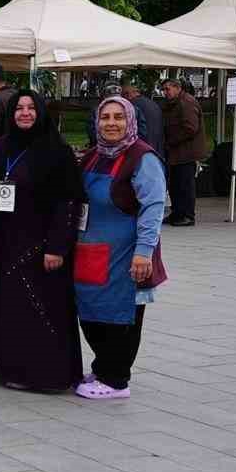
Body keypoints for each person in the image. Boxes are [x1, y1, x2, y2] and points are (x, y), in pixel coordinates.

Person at [0, 90, 85, 391]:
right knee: (6, 306)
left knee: (38, 308)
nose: (24, 113)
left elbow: (68, 202)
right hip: (6, 240)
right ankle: (0, 365)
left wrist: (58, 246)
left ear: (41, 112)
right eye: (19, 108)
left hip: (41, 243)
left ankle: (38, 373)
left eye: (31, 108)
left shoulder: (56, 152)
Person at [74, 95, 167, 400]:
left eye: (118, 117)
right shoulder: (93, 155)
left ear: (131, 121)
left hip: (125, 254)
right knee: (92, 313)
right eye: (105, 117)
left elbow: (153, 207)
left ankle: (116, 379)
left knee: (120, 317)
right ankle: (103, 368)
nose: (111, 123)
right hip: (91, 252)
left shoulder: (143, 158)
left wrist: (144, 251)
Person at [160, 78, 206, 226]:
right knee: (175, 184)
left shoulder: (186, 102)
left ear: (177, 88)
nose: (165, 92)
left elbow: (190, 128)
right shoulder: (173, 103)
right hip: (176, 152)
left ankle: (187, 215)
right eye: (164, 90)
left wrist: (171, 140)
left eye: (167, 89)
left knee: (185, 184)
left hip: (186, 152)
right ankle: (177, 213)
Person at [120, 80, 165, 161]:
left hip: (142, 150)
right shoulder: (152, 103)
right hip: (157, 148)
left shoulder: (132, 106)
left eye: (122, 96)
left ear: (127, 94)